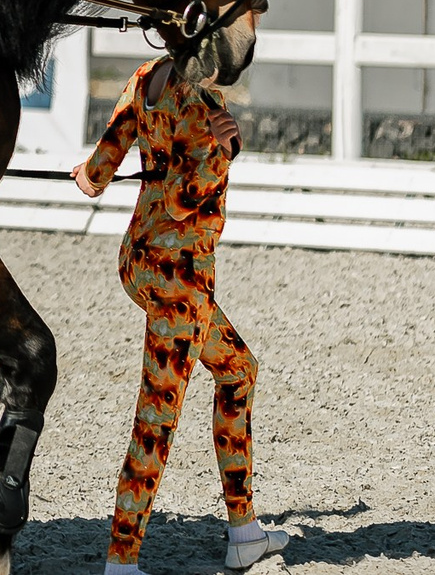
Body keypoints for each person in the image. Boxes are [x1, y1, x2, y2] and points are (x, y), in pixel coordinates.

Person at [73, 53, 291, 574]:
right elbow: (181, 198)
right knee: (156, 417)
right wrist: (224, 151)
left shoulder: (145, 77)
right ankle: (121, 561)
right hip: (180, 277)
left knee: (239, 369)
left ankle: (244, 531)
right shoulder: (202, 101)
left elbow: (98, 173)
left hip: (137, 260)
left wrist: (86, 175)